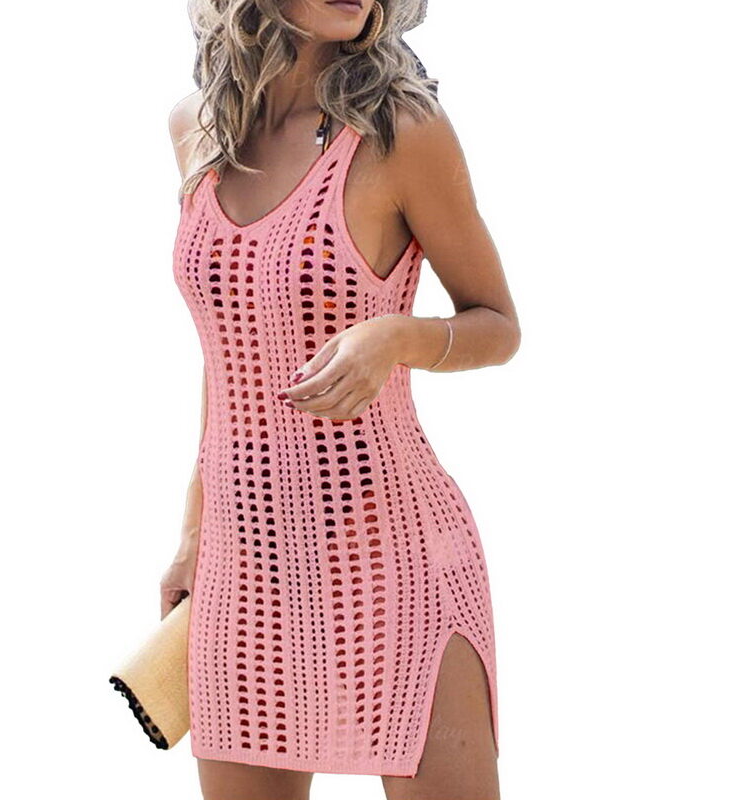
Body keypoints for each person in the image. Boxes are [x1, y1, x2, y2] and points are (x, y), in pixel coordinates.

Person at [163, 2, 520, 798]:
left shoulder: (404, 131)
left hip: (393, 554)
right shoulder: (198, 130)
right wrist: (192, 535)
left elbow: (497, 323)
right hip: (245, 563)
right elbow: (229, 352)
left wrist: (395, 336)